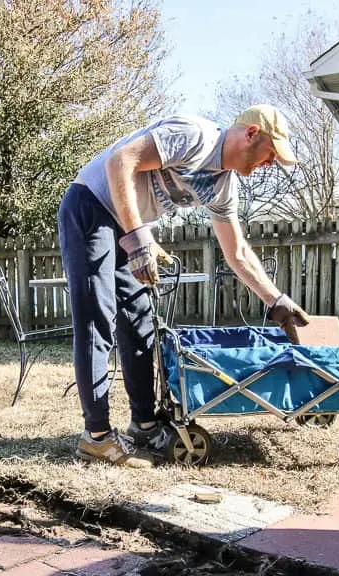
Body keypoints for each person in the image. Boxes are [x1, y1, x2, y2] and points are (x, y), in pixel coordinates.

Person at [57, 104, 310, 468]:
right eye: (271, 154)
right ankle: (96, 437)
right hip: (90, 206)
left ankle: (143, 424)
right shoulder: (196, 137)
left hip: (125, 225)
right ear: (252, 134)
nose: (269, 164)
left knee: (141, 321)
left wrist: (276, 300)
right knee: (98, 319)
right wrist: (139, 238)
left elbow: (236, 251)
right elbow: (120, 161)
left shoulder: (223, 186)